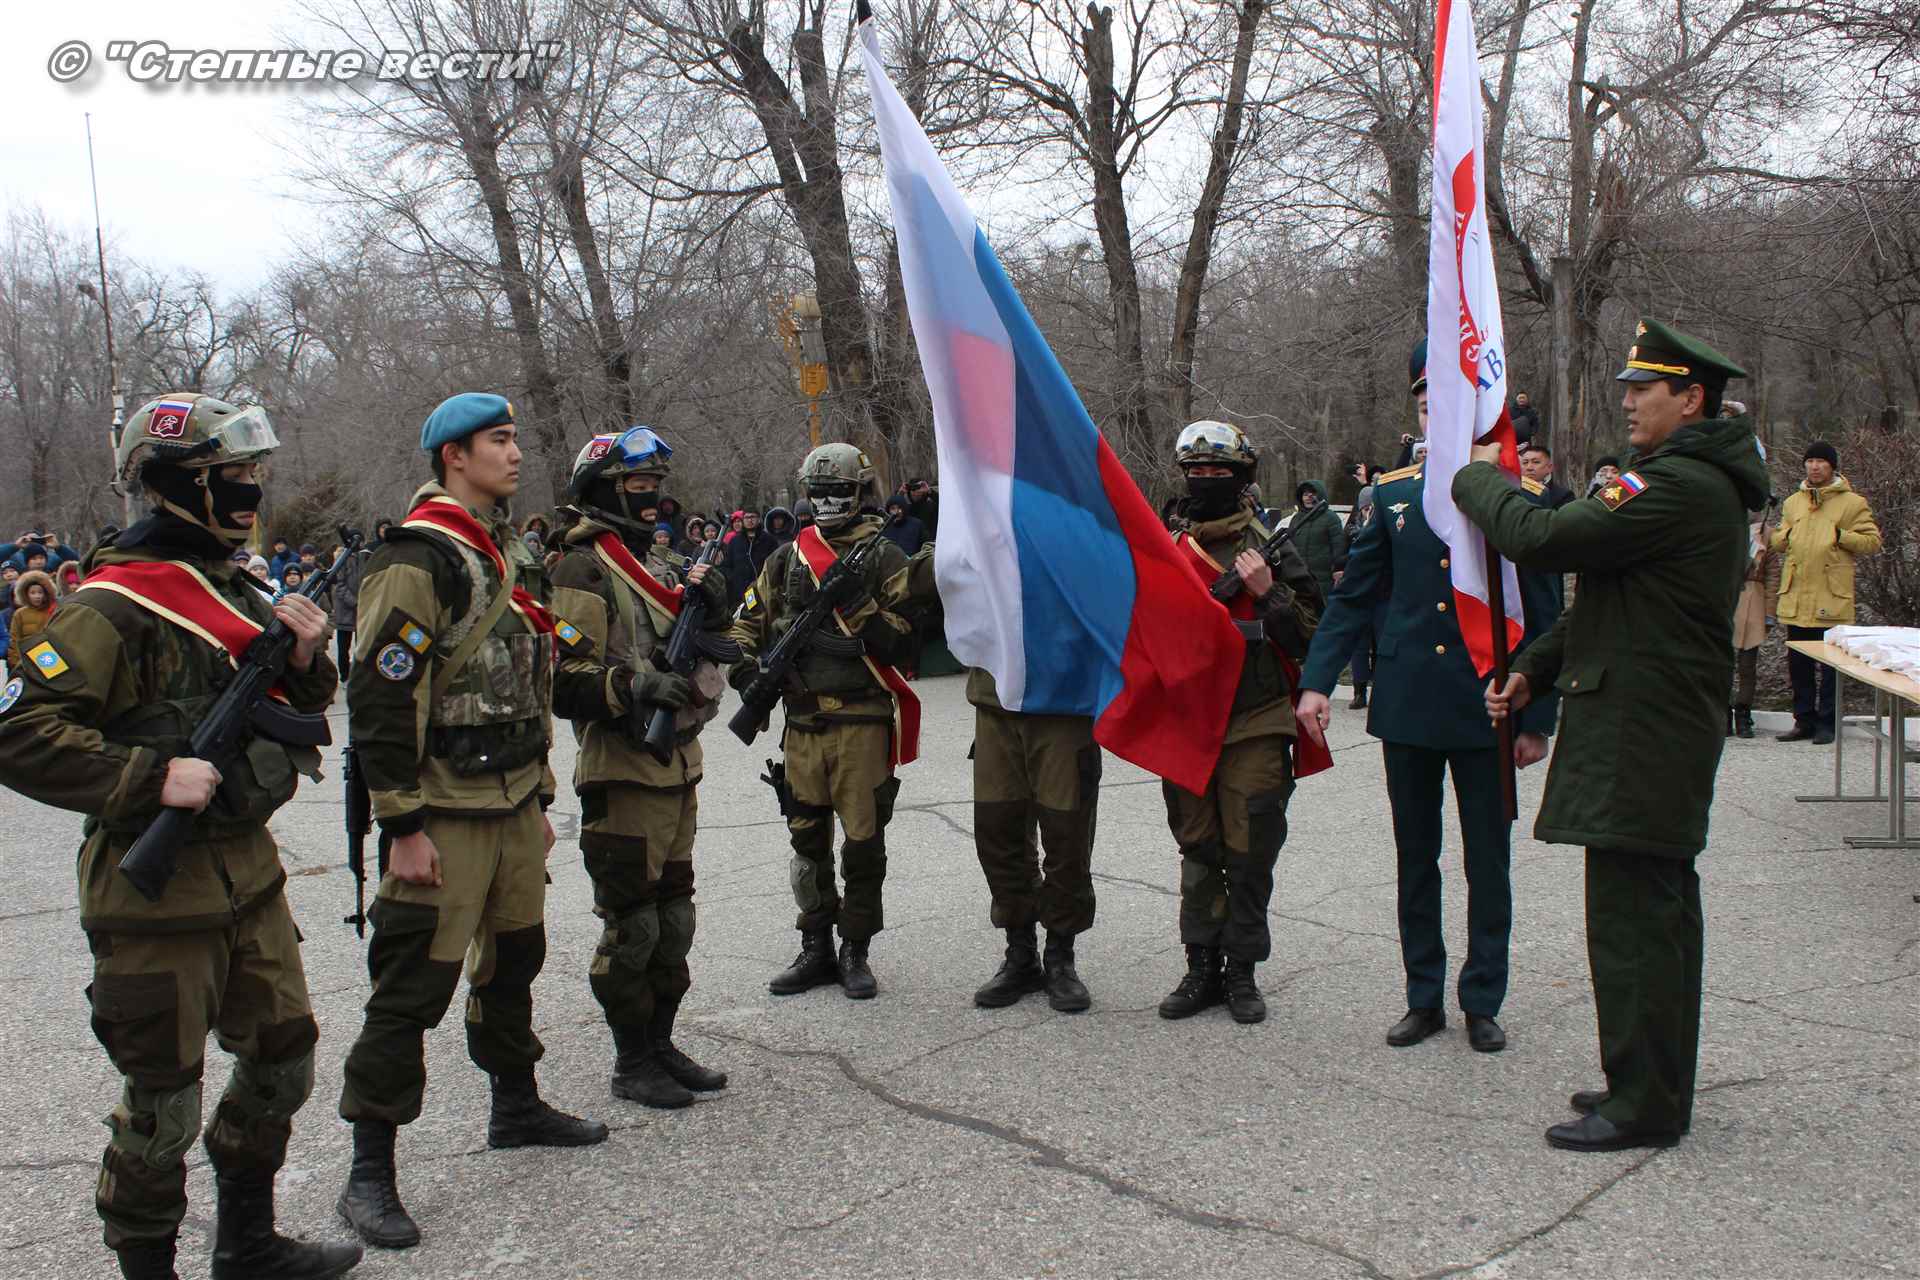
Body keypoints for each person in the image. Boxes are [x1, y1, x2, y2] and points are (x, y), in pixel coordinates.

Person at [0, 392, 361, 1280]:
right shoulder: (110, 606)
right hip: (155, 895)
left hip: (248, 875)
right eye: (231, 475)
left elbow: (291, 708)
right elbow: (19, 732)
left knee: (284, 1061)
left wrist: (306, 661)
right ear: (177, 485)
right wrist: (150, 777)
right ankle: (148, 1266)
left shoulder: (235, 586)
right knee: (162, 1105)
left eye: (252, 473)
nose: (251, 490)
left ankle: (247, 1244)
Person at [1459, 317, 1769, 1152]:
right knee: (1646, 917)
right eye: (1628, 388)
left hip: (1646, 730)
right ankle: (1645, 1080)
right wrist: (1536, 668)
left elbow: (1544, 538)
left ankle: (1645, 1105)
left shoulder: (1679, 486)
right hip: (1646, 722)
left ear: (1691, 399)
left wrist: (1475, 477)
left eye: (1645, 389)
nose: (1629, 403)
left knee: (1637, 923)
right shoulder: (1681, 480)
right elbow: (1607, 600)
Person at [336, 392, 607, 1252]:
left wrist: (540, 798)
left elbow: (529, 680)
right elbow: (383, 699)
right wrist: (402, 825)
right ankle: (369, 1171)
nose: (516, 452)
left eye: (515, 438)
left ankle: (515, 1106)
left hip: (512, 801)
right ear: (454, 455)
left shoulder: (509, 551)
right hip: (444, 810)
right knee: (412, 987)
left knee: (514, 962)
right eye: (499, 440)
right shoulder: (418, 557)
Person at [1298, 339, 1562, 1055]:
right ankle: (1423, 997)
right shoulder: (1392, 496)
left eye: (1444, 402)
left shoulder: (1516, 497)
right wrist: (1317, 681)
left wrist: (1537, 716)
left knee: (1488, 862)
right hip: (1410, 701)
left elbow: (1544, 616)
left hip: (1488, 704)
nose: (1431, 414)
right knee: (1416, 859)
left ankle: (1482, 1000)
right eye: (1423, 403)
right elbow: (1353, 598)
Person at [550, 427, 733, 1109]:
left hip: (678, 765)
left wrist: (715, 609)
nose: (652, 496)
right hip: (622, 771)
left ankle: (661, 1043)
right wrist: (633, 687)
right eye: (637, 485)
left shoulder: (659, 564)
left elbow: (717, 650)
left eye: (656, 483)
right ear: (603, 489)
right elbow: (562, 680)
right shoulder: (583, 569)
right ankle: (632, 1060)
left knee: (674, 921)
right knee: (633, 926)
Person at [729, 443, 918, 1000]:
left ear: (860, 493)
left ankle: (855, 949)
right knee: (806, 842)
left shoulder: (884, 556)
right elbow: (744, 625)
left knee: (862, 846)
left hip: (862, 724)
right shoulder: (786, 558)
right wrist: (748, 675)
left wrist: (859, 606)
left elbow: (908, 642)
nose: (827, 500)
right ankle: (815, 946)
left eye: (838, 491)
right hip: (803, 725)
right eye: (818, 492)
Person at [1159, 420, 1323, 1025]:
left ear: (1242, 477)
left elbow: (1314, 636)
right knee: (1198, 845)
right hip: (1189, 719)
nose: (1206, 480)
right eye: (1196, 471)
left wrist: (1268, 591)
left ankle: (1242, 970)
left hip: (1255, 716)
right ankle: (1201, 964)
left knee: (1251, 847)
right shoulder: (1167, 545)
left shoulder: (1270, 544)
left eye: (1219, 472)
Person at [965, 658, 1100, 1012]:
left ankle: (1060, 955)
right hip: (995, 695)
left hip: (1063, 699)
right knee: (998, 832)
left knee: (1067, 835)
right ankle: (1020, 952)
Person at [1771, 439, 1882, 745]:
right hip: (1797, 596)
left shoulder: (1852, 503)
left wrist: (1839, 535)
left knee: (1831, 666)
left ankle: (1827, 724)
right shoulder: (1793, 502)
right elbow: (1778, 540)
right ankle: (1803, 721)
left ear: (1832, 466)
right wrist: (1785, 535)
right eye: (1810, 461)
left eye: (1821, 461)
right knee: (1799, 664)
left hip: (1831, 596)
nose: (1815, 466)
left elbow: (1872, 542)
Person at [1340, 483, 1377, 709]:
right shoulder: (1350, 530)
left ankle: (1379, 690)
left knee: (1380, 645)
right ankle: (1359, 691)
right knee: (1359, 646)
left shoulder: (1384, 527)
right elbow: (1340, 556)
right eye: (1365, 508)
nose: (1368, 511)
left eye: (1372, 507)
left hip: (1381, 594)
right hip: (1358, 592)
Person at [1288, 479, 1347, 606]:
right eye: (1305, 494)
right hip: (1300, 579)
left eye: (1312, 494)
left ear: (1320, 495)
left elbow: (1339, 547)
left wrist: (1338, 569)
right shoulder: (1296, 519)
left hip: (1324, 580)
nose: (1308, 498)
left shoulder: (1331, 518)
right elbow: (1289, 547)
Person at [332, 532, 372, 682]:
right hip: (345, 610)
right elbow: (339, 585)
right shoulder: (342, 558)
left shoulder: (366, 557)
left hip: (362, 610)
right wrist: (354, 601)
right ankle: (345, 676)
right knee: (343, 648)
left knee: (362, 646)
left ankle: (359, 676)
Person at [722, 508, 778, 609]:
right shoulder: (734, 541)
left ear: (759, 519)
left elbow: (775, 566)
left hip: (762, 592)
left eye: (752, 517)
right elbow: (726, 565)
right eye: (746, 518)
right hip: (738, 594)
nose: (749, 520)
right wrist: (733, 579)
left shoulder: (769, 540)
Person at [10, 569, 57, 654]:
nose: (37, 596)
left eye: (40, 592)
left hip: (50, 655)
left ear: (46, 594)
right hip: (27, 655)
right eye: (32, 593)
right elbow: (15, 639)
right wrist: (16, 659)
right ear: (26, 594)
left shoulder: (53, 610)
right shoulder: (20, 614)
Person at [1520, 443, 1576, 509]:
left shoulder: (1564, 496)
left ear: (1549, 467)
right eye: (1525, 463)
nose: (1529, 468)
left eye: (1536, 462)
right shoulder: (1514, 491)